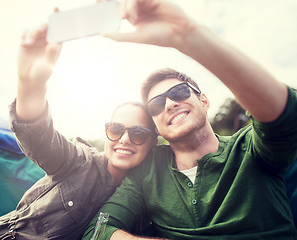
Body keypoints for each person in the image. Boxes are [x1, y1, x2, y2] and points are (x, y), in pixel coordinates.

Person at [82, 0, 297, 239]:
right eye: (156, 104)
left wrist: (189, 36)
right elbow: (98, 230)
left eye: (179, 93)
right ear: (156, 128)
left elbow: (285, 114)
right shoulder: (148, 172)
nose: (170, 104)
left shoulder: (251, 148)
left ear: (204, 101)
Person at [0, 19, 157, 240]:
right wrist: (31, 83)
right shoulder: (80, 161)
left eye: (138, 133)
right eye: (116, 129)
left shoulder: (146, 192)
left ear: (152, 142)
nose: (124, 139)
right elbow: (38, 135)